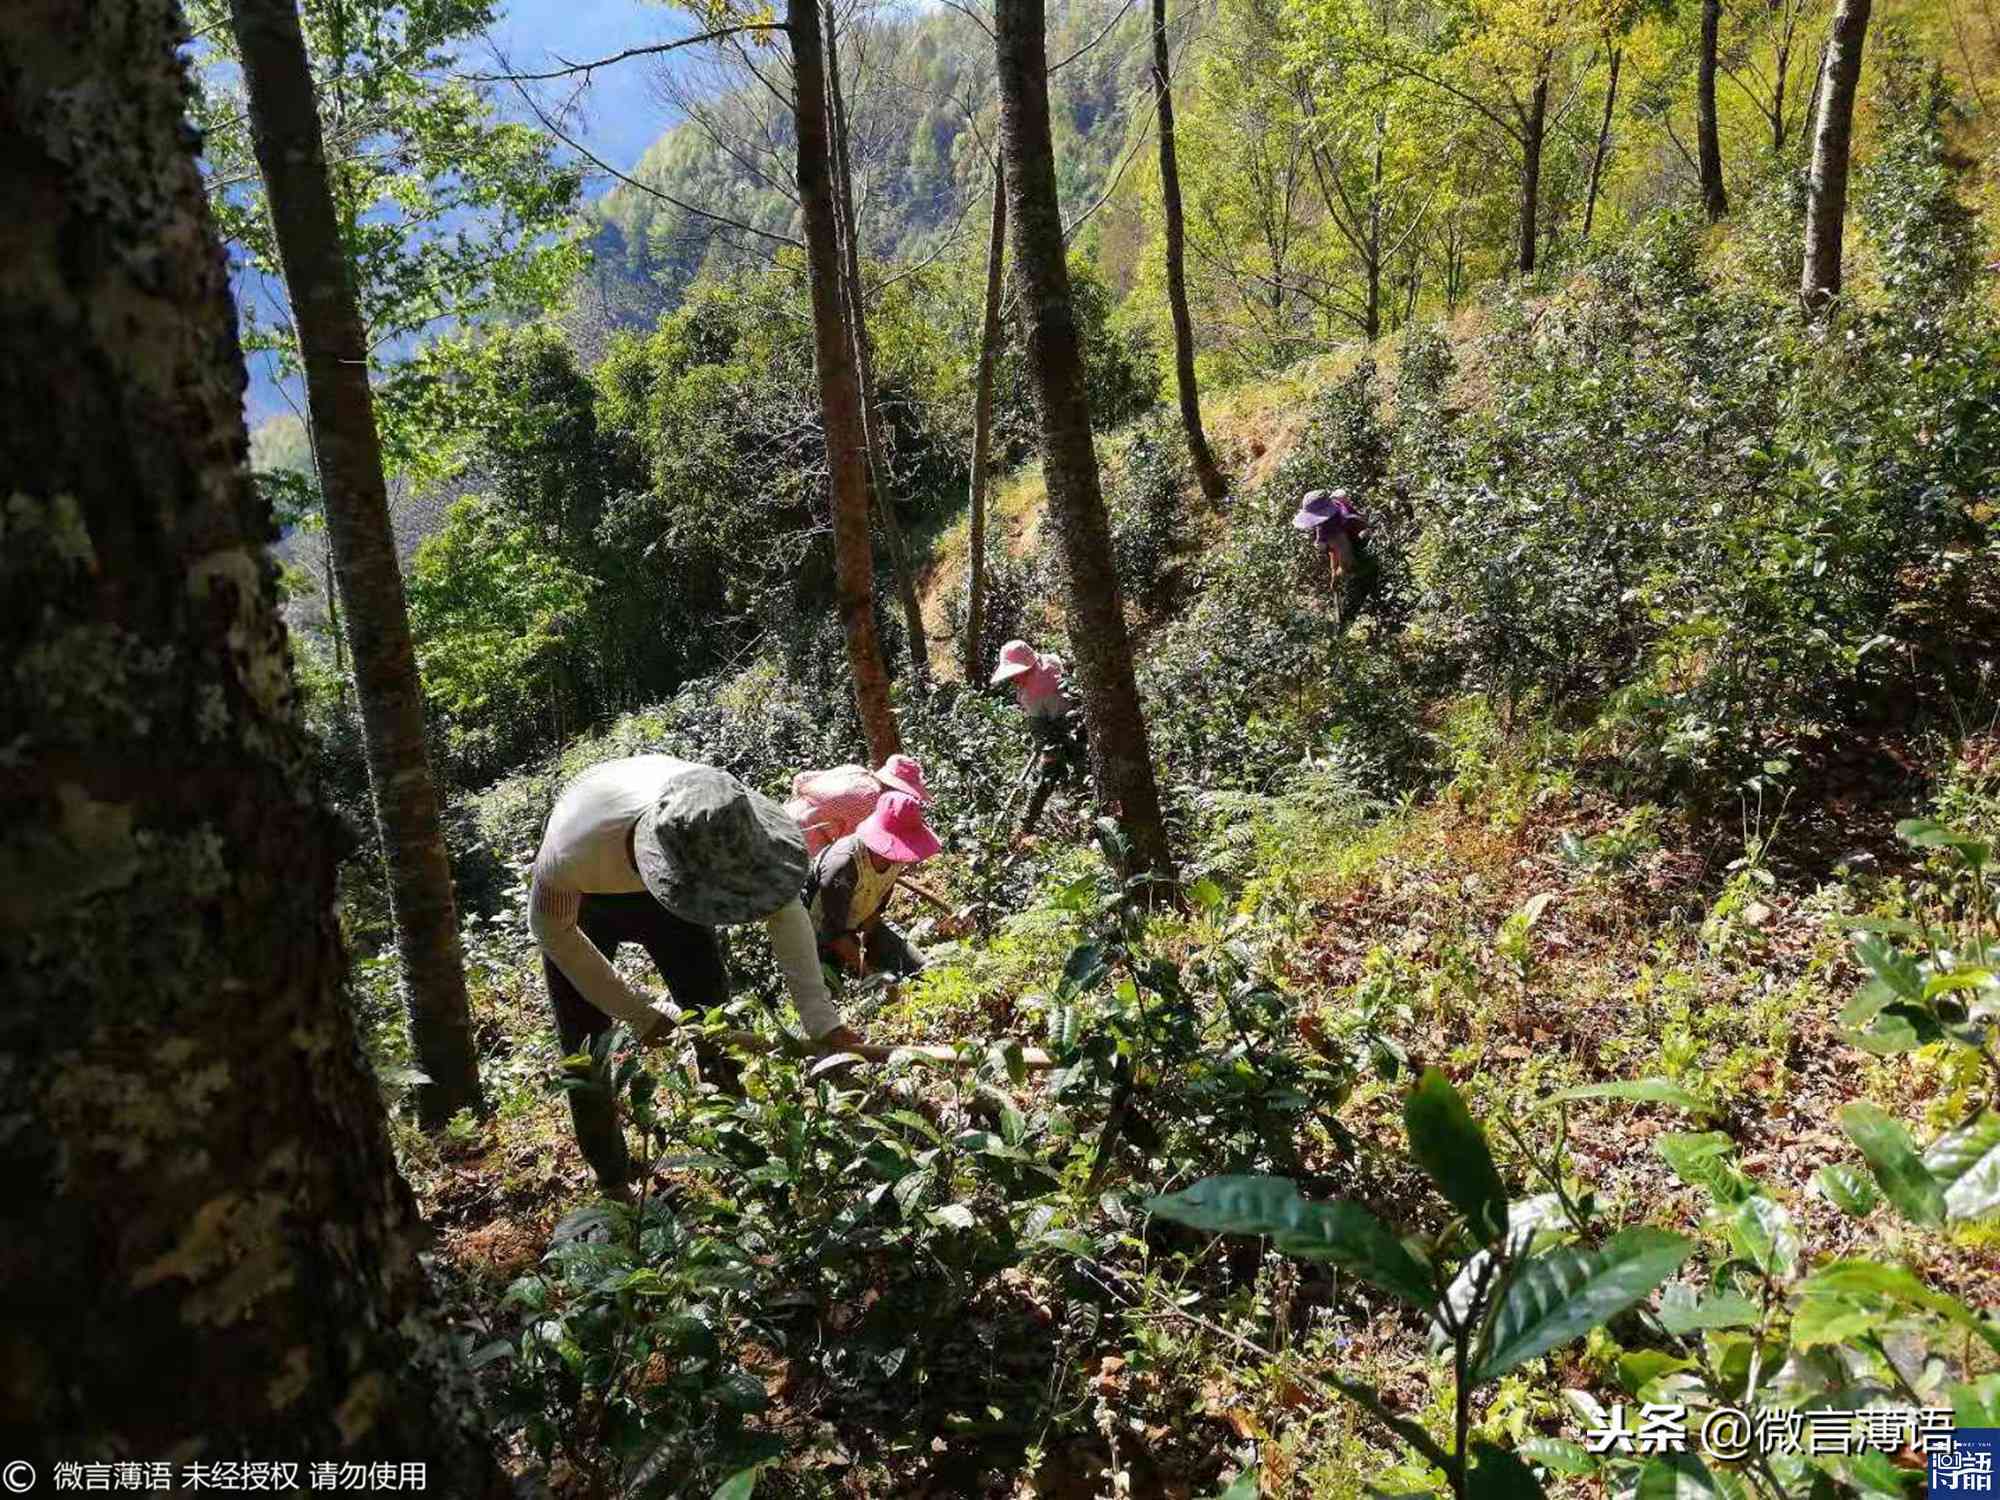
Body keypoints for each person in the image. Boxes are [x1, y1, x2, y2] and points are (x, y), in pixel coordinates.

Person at [529, 755, 863, 1194]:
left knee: (712, 1017)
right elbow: (555, 932)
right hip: (588, 901)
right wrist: (638, 1013)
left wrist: (822, 1020)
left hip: (676, 894)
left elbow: (783, 907)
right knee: (584, 1045)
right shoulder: (573, 851)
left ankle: (737, 1146)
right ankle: (612, 1177)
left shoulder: (730, 818)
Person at [806, 791, 942, 980]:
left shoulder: (896, 859)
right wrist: (869, 973)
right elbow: (833, 932)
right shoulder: (843, 865)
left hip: (863, 926)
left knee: (924, 972)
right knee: (833, 993)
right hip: (821, 939)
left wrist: (864, 942)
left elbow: (877, 908)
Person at [991, 639, 1087, 834]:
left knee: (1046, 777)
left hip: (1063, 730)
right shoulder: (1051, 661)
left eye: (1016, 675)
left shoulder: (1032, 695)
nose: (1014, 680)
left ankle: (1025, 826)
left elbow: (1039, 727)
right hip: (1080, 720)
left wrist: (1042, 746)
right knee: (1082, 769)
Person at [784, 753, 931, 857]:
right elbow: (854, 847)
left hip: (788, 813)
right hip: (804, 837)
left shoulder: (856, 771)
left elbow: (801, 778)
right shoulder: (873, 802)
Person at [1291, 488, 1374, 621]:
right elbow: (1334, 551)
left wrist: (1338, 575)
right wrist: (1333, 574)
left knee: (1354, 601)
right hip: (1359, 547)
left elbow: (1346, 558)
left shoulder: (1334, 527)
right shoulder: (1331, 513)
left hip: (1361, 556)